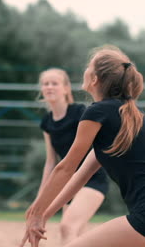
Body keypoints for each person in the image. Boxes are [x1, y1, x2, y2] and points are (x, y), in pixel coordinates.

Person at [20, 45, 145, 247]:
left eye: (88, 66)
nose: (85, 69)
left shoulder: (98, 113)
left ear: (94, 79)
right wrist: (45, 215)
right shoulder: (127, 114)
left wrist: (36, 211)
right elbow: (79, 176)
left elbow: (66, 167)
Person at [35, 68, 109, 244]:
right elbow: (51, 163)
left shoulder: (80, 112)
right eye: (46, 84)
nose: (50, 87)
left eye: (55, 83)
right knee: (76, 235)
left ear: (66, 88)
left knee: (67, 227)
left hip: (92, 179)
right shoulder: (47, 122)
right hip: (67, 182)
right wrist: (40, 198)